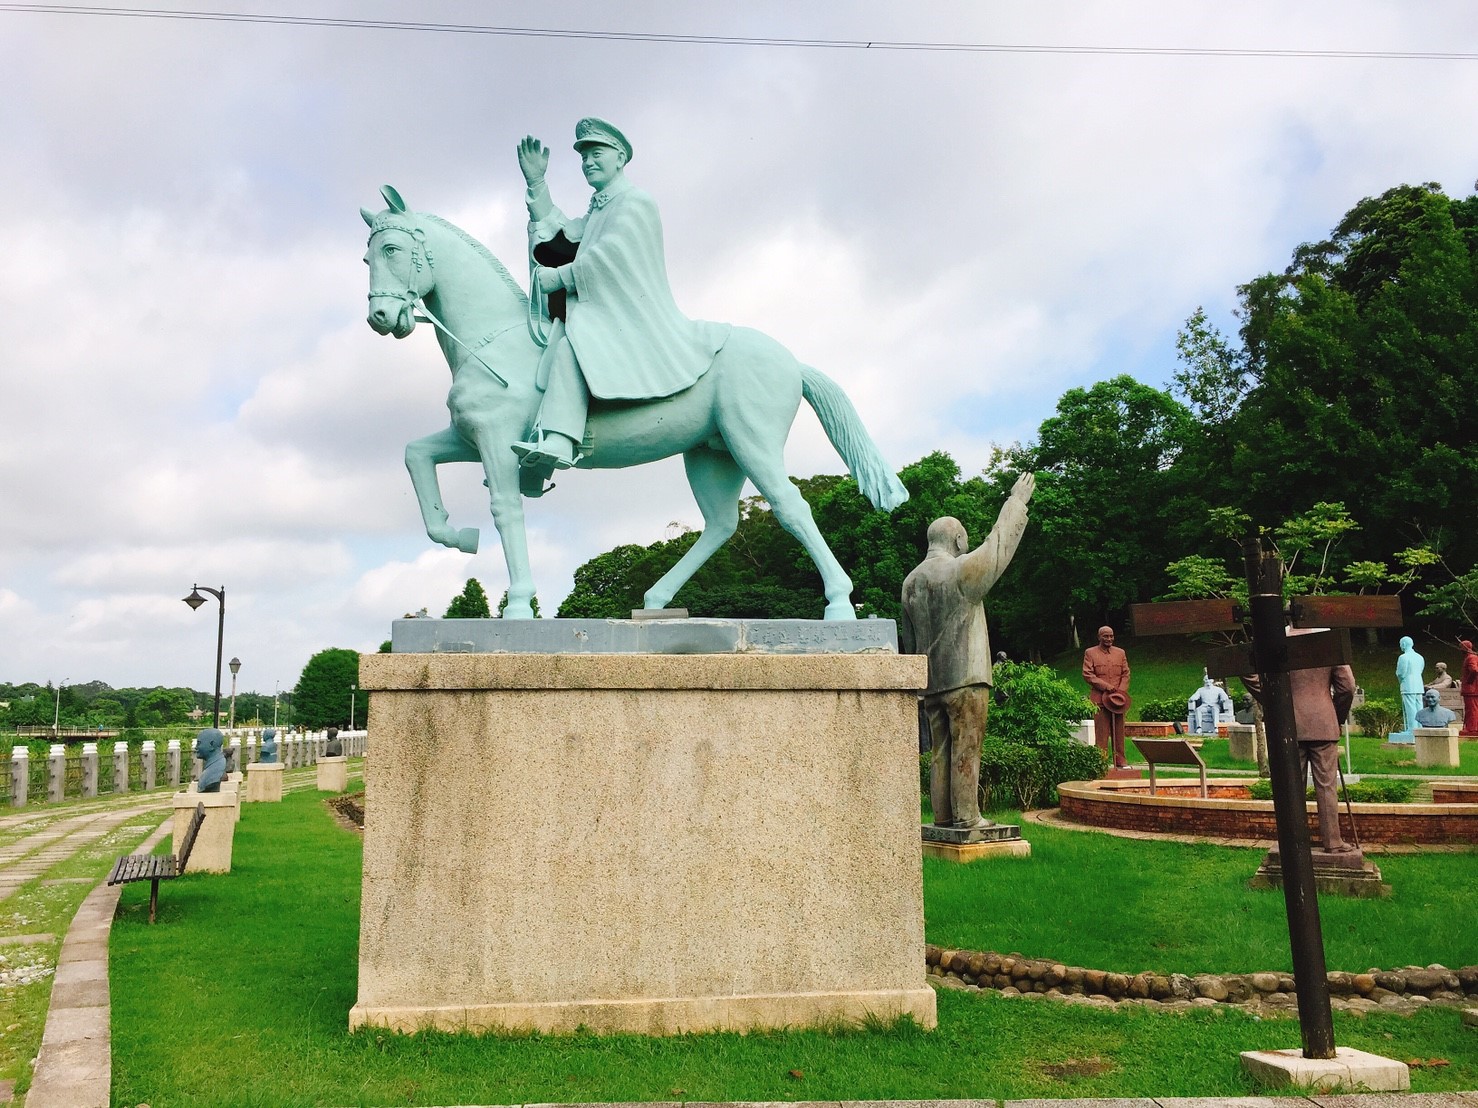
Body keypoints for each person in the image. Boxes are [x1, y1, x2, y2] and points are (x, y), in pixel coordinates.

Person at [512, 119, 728, 479]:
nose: (588, 163)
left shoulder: (635, 201)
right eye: (584, 158)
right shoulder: (600, 208)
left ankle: (561, 440)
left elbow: (612, 255)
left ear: (620, 157)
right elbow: (562, 233)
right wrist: (537, 183)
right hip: (605, 310)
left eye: (596, 153)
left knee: (571, 346)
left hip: (630, 315)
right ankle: (534, 463)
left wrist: (560, 277)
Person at [900, 474, 1035, 830]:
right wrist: (1016, 502)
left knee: (939, 751)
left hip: (931, 683)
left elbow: (909, 641)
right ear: (958, 539)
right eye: (965, 537)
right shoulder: (959, 571)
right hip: (965, 677)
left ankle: (943, 817)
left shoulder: (910, 583)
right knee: (967, 746)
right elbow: (997, 548)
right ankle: (967, 817)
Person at [1250, 630, 1358, 853]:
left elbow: (1247, 671)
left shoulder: (1277, 639)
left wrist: (1274, 700)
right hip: (1323, 722)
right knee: (1327, 787)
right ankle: (1333, 842)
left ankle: (1294, 843)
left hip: (1288, 723)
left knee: (1291, 787)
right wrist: (1336, 716)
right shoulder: (1328, 642)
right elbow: (1347, 686)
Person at [1083, 626, 1131, 768]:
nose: (1109, 639)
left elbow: (1126, 674)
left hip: (1118, 700)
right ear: (1099, 637)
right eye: (1105, 636)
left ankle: (1120, 759)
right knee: (1102, 731)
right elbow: (1087, 674)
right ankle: (1101, 761)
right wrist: (1106, 686)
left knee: (1119, 730)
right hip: (1100, 699)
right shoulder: (1090, 653)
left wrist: (1121, 692)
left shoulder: (1120, 653)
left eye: (1111, 636)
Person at [1391, 635, 1425, 742]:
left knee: (1410, 708)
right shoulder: (1420, 657)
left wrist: (1401, 681)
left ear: (1404, 644)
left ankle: (1412, 729)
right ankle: (1419, 727)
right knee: (1419, 707)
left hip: (1408, 684)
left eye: (1401, 644)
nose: (1400, 646)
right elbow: (1421, 670)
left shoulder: (1403, 657)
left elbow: (1401, 673)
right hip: (1418, 684)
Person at [1462, 640, 1478, 736]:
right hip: (1472, 689)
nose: (1460, 649)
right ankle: (1471, 727)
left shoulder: (1471, 657)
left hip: (1471, 689)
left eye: (1461, 647)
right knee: (1471, 708)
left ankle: (1472, 728)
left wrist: (1469, 681)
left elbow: (1474, 670)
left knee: (1472, 709)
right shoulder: (1471, 657)